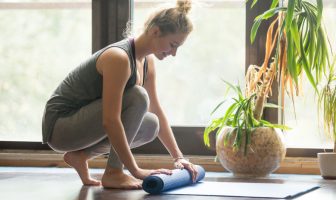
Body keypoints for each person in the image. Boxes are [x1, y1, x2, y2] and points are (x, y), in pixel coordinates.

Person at [42, 0, 198, 189]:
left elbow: (155, 109)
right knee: (138, 96)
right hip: (60, 127)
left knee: (151, 124)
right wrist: (136, 170)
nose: (173, 53)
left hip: (81, 126)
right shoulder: (119, 58)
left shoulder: (147, 61)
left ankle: (80, 156)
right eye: (173, 45)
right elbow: (110, 120)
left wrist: (178, 157)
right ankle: (114, 173)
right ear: (155, 31)